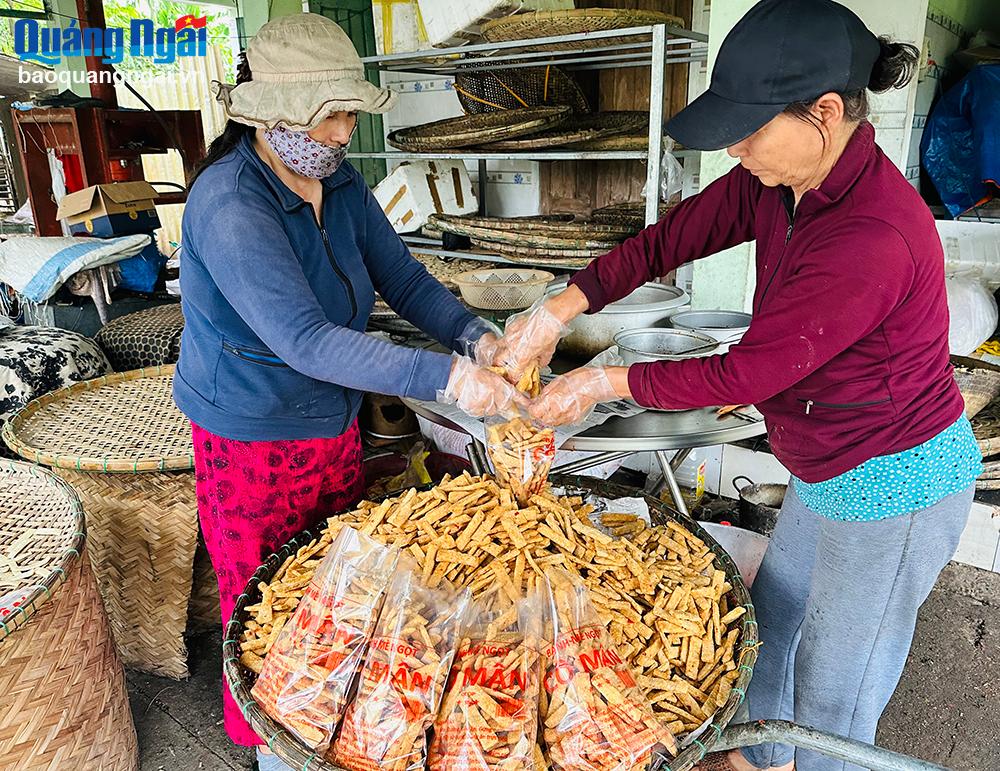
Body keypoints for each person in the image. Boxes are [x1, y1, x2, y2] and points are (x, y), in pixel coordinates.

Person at [491, 1, 981, 769]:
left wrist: (600, 380)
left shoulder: (874, 232)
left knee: (835, 690)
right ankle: (756, 758)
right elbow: (671, 238)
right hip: (826, 458)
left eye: (750, 128)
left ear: (825, 112)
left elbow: (751, 370)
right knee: (773, 620)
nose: (735, 148)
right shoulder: (776, 178)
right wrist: (558, 309)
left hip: (895, 476)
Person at [173, 13, 520, 769]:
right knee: (267, 598)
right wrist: (447, 377)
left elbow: (402, 278)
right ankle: (274, 749)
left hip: (331, 415)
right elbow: (303, 341)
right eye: (333, 114)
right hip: (252, 431)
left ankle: (337, 731)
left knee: (337, 581)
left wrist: (475, 336)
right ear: (275, 114)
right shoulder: (234, 204)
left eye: (348, 113)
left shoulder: (338, 180)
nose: (343, 130)